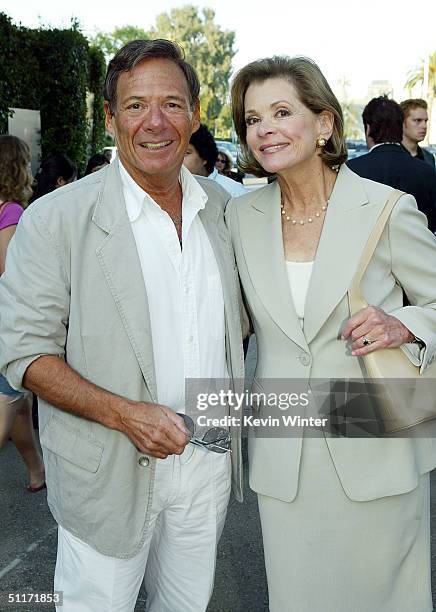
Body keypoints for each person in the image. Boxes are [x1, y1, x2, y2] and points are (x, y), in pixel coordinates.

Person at [0, 39, 244, 612]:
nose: (154, 123)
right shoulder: (56, 218)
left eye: (172, 104)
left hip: (204, 471)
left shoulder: (225, 213)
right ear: (110, 118)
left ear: (195, 113)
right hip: (108, 476)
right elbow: (23, 354)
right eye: (135, 106)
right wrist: (127, 416)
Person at [226, 55, 436, 611]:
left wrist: (406, 324)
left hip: (375, 438)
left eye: (280, 112)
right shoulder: (238, 216)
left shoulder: (385, 209)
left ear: (324, 123)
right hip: (286, 454)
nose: (264, 129)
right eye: (251, 119)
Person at [0, 135, 45, 492]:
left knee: (11, 402)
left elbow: (6, 273)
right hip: (6, 323)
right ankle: (37, 471)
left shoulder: (9, 212)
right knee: (12, 405)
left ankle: (37, 471)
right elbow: (8, 272)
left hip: (5, 324)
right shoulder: (10, 211)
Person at [347, 96, 436, 231]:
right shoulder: (427, 171)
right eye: (417, 120)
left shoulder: (351, 170)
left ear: (368, 129)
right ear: (401, 127)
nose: (423, 125)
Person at [183, 123, 247, 196]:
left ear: (204, 157)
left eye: (186, 153)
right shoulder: (174, 191)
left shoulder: (232, 191)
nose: (178, 159)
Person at [400, 98, 435, 168]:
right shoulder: (390, 156)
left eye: (425, 121)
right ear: (402, 122)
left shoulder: (429, 158)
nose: (424, 126)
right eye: (418, 120)